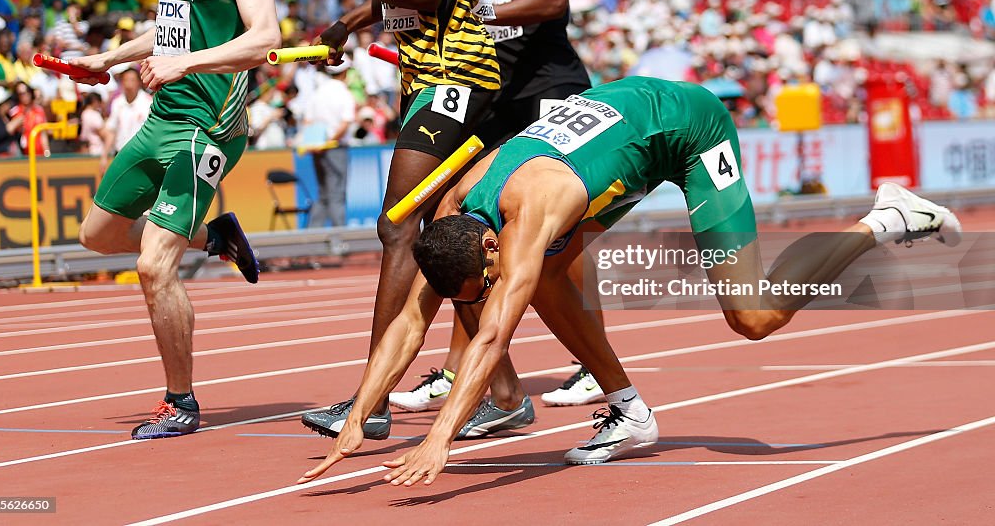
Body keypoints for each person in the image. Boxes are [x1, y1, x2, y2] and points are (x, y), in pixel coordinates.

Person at [298, 75, 962, 485]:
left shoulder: (529, 213)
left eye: (492, 274)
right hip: (619, 132)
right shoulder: (452, 220)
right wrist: (360, 414)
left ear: (495, 243)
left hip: (687, 128)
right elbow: (412, 321)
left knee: (753, 316)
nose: (492, 290)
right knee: (552, 276)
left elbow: (495, 332)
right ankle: (631, 412)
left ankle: (883, 217)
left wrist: (440, 439)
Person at [68, 0, 281, 440]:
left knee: (153, 265)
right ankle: (216, 237)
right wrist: (109, 58)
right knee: (97, 236)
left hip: (209, 126)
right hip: (164, 117)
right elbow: (171, 31)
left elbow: (266, 38)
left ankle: (181, 402)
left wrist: (186, 61)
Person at [300, 0, 502, 439]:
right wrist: (349, 24)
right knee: (443, 239)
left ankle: (373, 399)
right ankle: (504, 390)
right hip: (428, 78)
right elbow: (410, 0)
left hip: (459, 75)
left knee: (398, 226)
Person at [389, 0, 600, 424]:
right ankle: (471, 374)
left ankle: (589, 366)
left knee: (562, 235)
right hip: (493, 96)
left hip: (550, 90)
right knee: (461, 218)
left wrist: (491, 12)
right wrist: (354, 21)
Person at [299, 55, 357, 228]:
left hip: (318, 148)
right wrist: (328, 141)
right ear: (345, 72)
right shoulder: (344, 93)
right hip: (335, 147)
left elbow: (308, 121)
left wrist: (317, 143)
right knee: (336, 193)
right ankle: (339, 240)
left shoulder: (318, 92)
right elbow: (345, 123)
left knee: (323, 193)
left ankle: (312, 239)